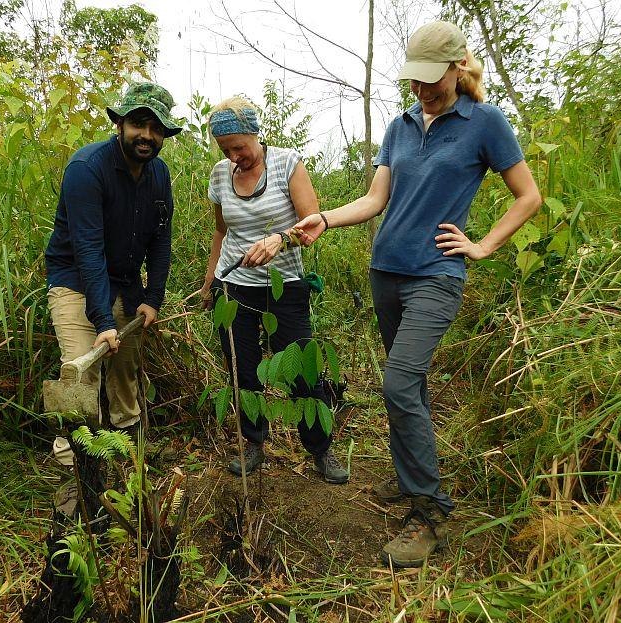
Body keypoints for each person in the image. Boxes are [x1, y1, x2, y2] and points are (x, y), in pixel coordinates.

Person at [293, 21, 542, 566]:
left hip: (437, 274)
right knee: (410, 382)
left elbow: (528, 196)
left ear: (457, 68)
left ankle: (428, 512)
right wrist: (325, 218)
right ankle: (412, 477)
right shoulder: (400, 126)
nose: (423, 90)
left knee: (399, 381)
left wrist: (482, 245)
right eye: (415, 80)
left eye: (433, 79)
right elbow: (376, 198)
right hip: (387, 270)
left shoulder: (485, 122)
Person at [45, 82, 182, 512]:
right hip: (75, 280)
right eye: (139, 123)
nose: (147, 135)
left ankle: (126, 456)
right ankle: (77, 475)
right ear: (119, 123)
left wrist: (152, 298)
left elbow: (161, 242)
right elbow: (87, 248)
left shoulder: (159, 175)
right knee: (80, 369)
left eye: (156, 128)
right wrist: (103, 322)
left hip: (124, 282)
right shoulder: (87, 168)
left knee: (125, 371)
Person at [199, 96, 349, 484]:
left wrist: (280, 239)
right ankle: (253, 443)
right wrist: (211, 278)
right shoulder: (220, 175)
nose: (235, 157)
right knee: (242, 370)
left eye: (240, 147)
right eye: (226, 150)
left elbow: (311, 224)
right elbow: (221, 230)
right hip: (234, 288)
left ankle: (320, 447)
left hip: (285, 288)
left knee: (301, 369)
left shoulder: (287, 164)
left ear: (255, 134)